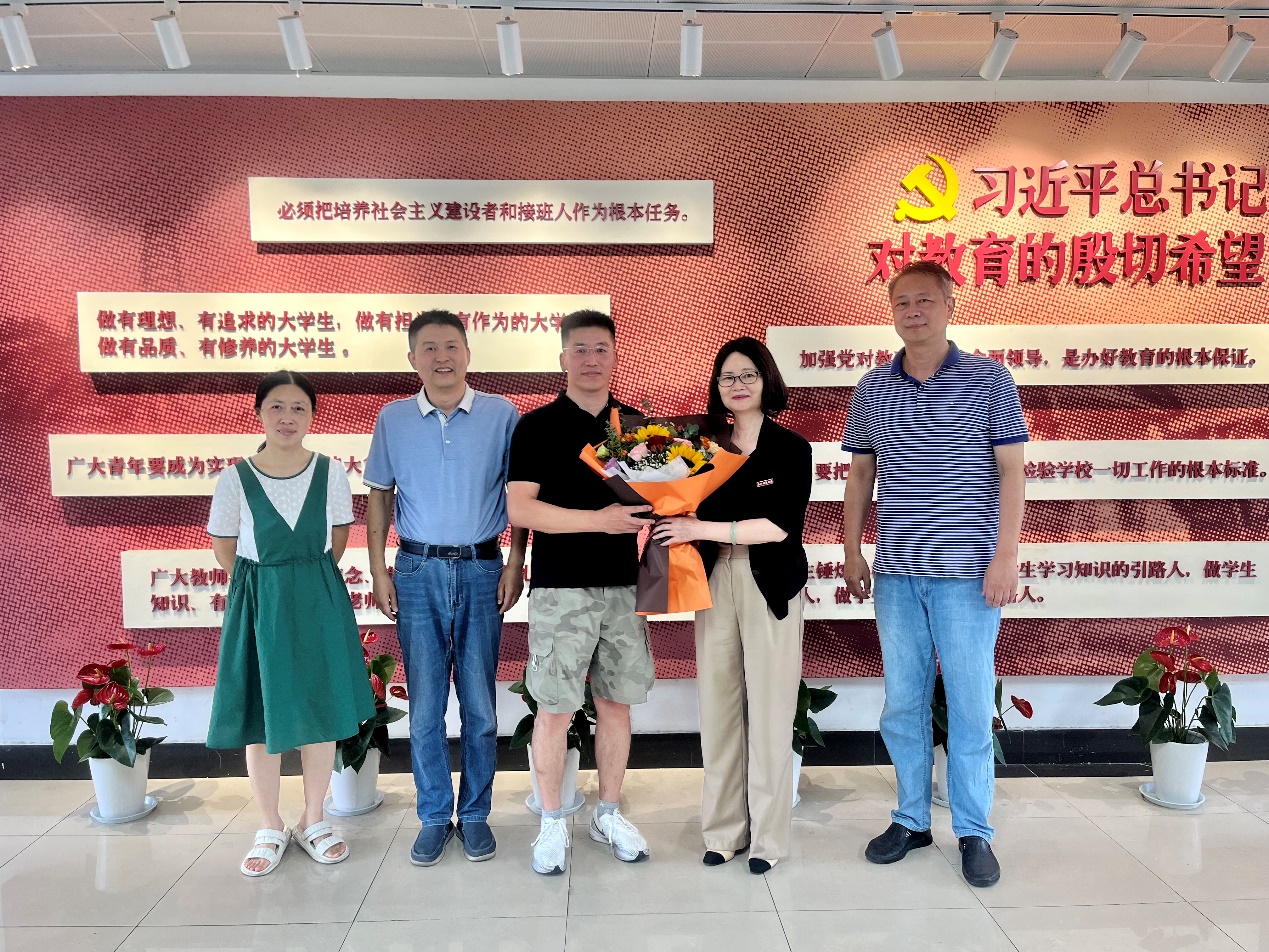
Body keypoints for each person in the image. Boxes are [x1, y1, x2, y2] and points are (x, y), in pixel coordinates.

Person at [841, 261, 1028, 888]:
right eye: (902, 302)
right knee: (903, 704)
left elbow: (1011, 473)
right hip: (897, 571)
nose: (913, 312)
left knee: (971, 706)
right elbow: (861, 476)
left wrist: (1005, 557)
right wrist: (852, 550)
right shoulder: (872, 385)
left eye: (925, 300)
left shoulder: (989, 378)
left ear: (950, 304)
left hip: (969, 575)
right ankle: (912, 819)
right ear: (891, 311)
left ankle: (974, 831)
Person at [364, 310, 526, 867]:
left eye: (451, 346)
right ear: (413, 359)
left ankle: (475, 814)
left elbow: (519, 496)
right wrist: (379, 571)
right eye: (429, 348)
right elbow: (379, 497)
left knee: (480, 705)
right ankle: (434, 816)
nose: (442, 357)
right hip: (416, 571)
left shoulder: (502, 415)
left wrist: (516, 560)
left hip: (483, 569)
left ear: (468, 354)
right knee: (426, 705)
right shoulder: (393, 418)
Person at [207, 370, 376, 878]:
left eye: (299, 407)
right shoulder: (235, 478)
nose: (287, 417)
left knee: (320, 711)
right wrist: (271, 586)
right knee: (263, 718)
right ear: (259, 413)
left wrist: (302, 580)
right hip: (260, 603)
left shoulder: (330, 472)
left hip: (318, 599)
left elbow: (337, 540)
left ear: (312, 415)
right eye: (277, 407)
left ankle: (314, 819)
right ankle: (269, 824)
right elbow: (225, 549)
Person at [653, 337, 811, 875]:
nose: (737, 385)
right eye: (727, 377)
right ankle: (723, 831)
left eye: (747, 375)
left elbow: (778, 526)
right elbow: (672, 502)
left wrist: (697, 527)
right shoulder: (700, 447)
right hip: (713, 579)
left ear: (767, 381)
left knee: (770, 713)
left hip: (770, 584)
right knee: (718, 708)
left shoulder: (791, 448)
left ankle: (768, 838)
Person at [507, 309, 656, 876]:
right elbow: (521, 510)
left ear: (616, 356)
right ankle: (551, 819)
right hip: (561, 588)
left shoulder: (637, 428)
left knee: (617, 704)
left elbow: (661, 497)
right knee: (555, 707)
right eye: (581, 350)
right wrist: (601, 521)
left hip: (624, 586)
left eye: (601, 349)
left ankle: (608, 813)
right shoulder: (537, 427)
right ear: (563, 358)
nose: (591, 360)